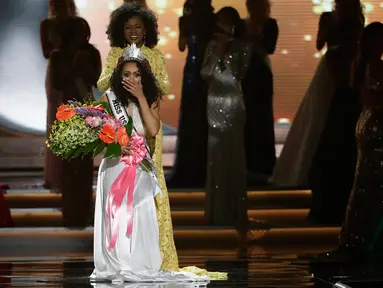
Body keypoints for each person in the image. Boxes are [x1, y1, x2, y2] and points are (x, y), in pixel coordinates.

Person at [91, 44, 226, 282]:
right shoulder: (108, 99)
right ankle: (115, 265)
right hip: (114, 166)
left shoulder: (151, 99)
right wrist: (115, 145)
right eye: (126, 74)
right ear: (118, 76)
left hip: (140, 166)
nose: (131, 79)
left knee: (140, 216)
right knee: (117, 218)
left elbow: (152, 130)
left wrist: (141, 96)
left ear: (143, 77)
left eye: (136, 74)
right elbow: (99, 137)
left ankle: (137, 263)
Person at [271, 0, 364, 188]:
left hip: (351, 65)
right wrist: (329, 31)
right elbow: (319, 44)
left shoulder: (357, 17)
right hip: (331, 68)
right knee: (320, 116)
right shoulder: (328, 17)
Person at [41, 0, 101, 228]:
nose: (82, 36)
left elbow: (97, 80)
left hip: (86, 109)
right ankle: (70, 213)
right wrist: (74, 66)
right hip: (67, 110)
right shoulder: (59, 57)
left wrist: (84, 66)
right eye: (78, 32)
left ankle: (84, 211)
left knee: (84, 164)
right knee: (69, 163)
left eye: (85, 32)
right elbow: (57, 82)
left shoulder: (92, 52)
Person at [201, 7, 252, 236]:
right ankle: (216, 212)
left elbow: (237, 76)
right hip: (214, 102)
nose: (222, 26)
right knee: (215, 153)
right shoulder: (211, 46)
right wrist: (217, 53)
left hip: (233, 103)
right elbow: (205, 74)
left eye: (227, 22)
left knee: (233, 153)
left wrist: (226, 55)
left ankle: (235, 211)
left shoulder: (244, 47)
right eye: (220, 22)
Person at [337, 22, 383, 258]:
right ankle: (363, 238)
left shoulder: (362, 66)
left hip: (369, 126)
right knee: (368, 184)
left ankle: (359, 237)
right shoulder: (370, 67)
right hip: (372, 128)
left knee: (366, 184)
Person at [167, 0, 216, 188]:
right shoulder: (185, 20)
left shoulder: (213, 19)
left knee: (206, 116)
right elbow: (181, 46)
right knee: (191, 114)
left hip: (208, 68)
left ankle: (206, 166)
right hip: (192, 69)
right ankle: (190, 166)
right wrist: (186, 30)